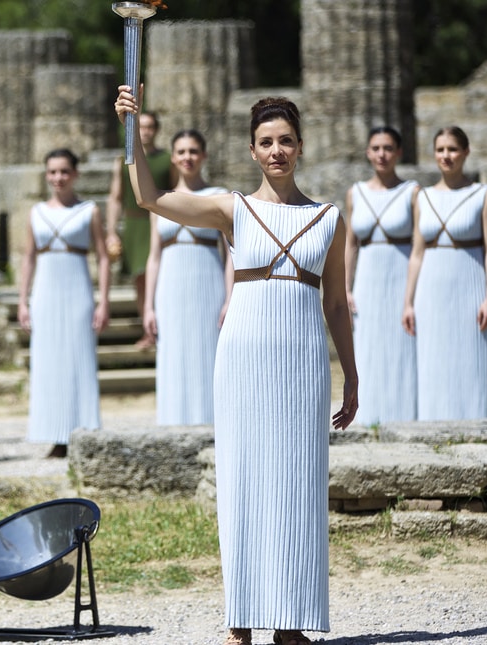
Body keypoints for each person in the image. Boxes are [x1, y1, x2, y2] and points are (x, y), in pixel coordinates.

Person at [115, 85, 357, 645]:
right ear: (252, 150)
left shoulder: (328, 219)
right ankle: (241, 619)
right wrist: (130, 130)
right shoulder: (233, 209)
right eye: (266, 142)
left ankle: (292, 620)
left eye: (286, 141)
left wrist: (352, 374)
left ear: (300, 147)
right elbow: (150, 198)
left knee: (297, 483)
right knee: (244, 481)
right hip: (244, 356)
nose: (277, 151)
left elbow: (337, 304)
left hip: (301, 360)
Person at [17, 149, 110, 458]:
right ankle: (53, 433)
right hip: (45, 292)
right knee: (48, 361)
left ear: (75, 174)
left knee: (77, 358)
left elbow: (103, 257)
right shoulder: (36, 212)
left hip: (77, 291)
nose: (58, 178)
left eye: (64, 172)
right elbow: (28, 258)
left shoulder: (89, 211)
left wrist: (103, 301)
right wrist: (22, 301)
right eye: (52, 172)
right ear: (46, 175)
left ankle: (82, 429)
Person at [402, 126, 487, 420]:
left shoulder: (483, 195)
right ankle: (434, 424)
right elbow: (416, 253)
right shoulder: (423, 197)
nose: (447, 156)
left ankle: (477, 421)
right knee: (433, 358)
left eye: (453, 149)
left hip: (470, 283)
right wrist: (408, 301)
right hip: (431, 289)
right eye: (441, 150)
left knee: (472, 356)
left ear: (466, 152)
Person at [143, 130, 232, 426]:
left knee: (207, 351)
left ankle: (211, 423)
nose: (187, 157)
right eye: (181, 152)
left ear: (204, 156)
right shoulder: (161, 200)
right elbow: (154, 257)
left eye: (193, 151)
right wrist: (148, 306)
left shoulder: (220, 196)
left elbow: (231, 253)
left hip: (208, 281)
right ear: (172, 157)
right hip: (170, 285)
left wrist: (230, 298)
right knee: (173, 353)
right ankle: (172, 422)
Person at [345, 126, 419, 425]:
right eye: (376, 148)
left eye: (388, 148)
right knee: (367, 346)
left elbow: (419, 246)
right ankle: (368, 414)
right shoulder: (355, 193)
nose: (382, 154)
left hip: (401, 276)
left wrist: (412, 296)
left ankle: (404, 415)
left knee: (402, 346)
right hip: (367, 280)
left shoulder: (412, 192)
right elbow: (350, 244)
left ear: (399, 152)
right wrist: (346, 288)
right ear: (367, 152)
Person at [107, 110, 172, 350]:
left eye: (149, 127)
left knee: (158, 275)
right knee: (140, 278)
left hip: (159, 220)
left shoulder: (168, 159)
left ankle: (161, 327)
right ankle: (148, 330)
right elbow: (115, 197)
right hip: (135, 223)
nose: (144, 131)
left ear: (156, 130)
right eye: (140, 127)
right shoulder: (122, 160)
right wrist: (112, 231)